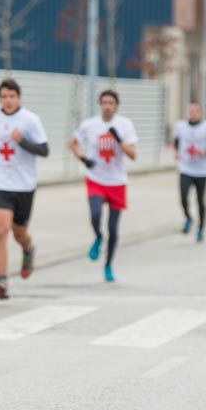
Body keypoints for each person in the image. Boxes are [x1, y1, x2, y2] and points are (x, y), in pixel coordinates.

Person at [0, 78, 49, 299]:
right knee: (1, 231)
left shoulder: (30, 120)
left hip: (24, 186)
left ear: (18, 97)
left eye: (11, 96)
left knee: (20, 233)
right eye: (3, 97)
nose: (7, 101)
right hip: (0, 183)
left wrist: (22, 142)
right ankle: (2, 281)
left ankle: (28, 249)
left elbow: (44, 149)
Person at [69, 89, 138, 282]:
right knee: (95, 214)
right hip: (96, 178)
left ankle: (108, 264)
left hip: (117, 182)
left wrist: (119, 140)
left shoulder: (125, 125)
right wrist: (83, 158)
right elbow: (72, 143)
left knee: (114, 229)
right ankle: (98, 237)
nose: (107, 106)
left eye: (111, 103)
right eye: (104, 102)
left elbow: (133, 154)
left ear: (116, 106)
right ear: (100, 104)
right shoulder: (89, 125)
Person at [171, 102, 206, 241]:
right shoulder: (180, 126)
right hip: (185, 168)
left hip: (201, 170)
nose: (193, 113)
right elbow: (177, 140)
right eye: (191, 111)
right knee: (183, 198)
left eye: (196, 111)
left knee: (200, 201)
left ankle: (201, 229)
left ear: (200, 113)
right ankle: (188, 218)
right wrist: (177, 151)